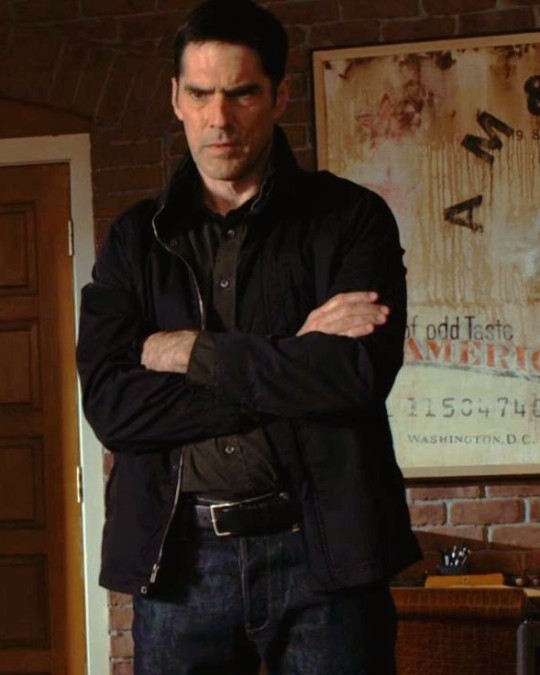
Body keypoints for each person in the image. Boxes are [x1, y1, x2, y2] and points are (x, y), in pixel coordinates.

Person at [76, 0, 421, 672]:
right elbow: (114, 407)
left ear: (279, 95)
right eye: (200, 94)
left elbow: (353, 376)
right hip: (180, 561)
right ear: (175, 98)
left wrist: (191, 351)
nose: (219, 119)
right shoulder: (134, 241)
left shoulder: (352, 219)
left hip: (326, 554)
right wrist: (292, 355)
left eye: (242, 93)